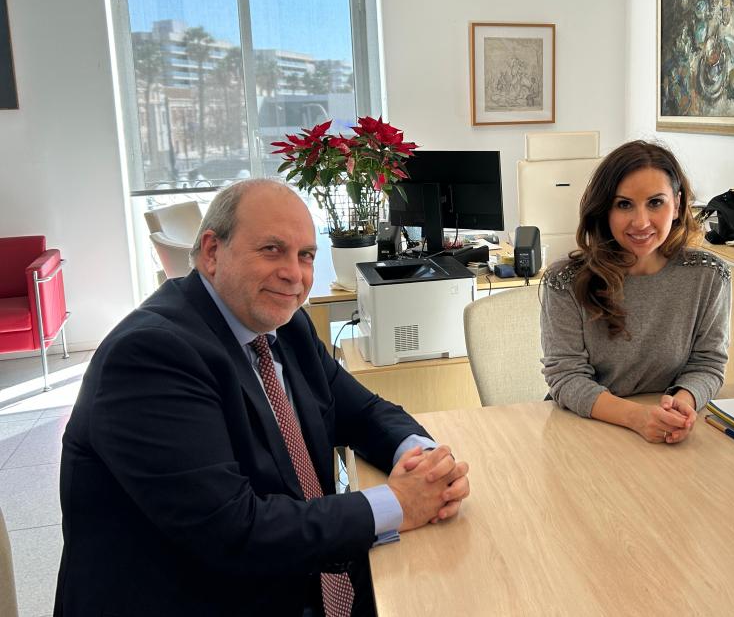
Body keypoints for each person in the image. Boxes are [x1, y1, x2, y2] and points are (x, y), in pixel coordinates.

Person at [55, 179, 470, 617]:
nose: (295, 273)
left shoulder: (284, 326)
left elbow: (364, 412)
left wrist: (425, 460)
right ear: (213, 252)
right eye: (272, 250)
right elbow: (234, 532)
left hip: (295, 572)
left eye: (306, 255)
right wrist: (398, 503)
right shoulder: (150, 356)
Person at [540, 140, 731, 444]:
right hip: (581, 431)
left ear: (677, 204)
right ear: (605, 209)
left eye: (656, 203)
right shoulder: (566, 280)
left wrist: (683, 403)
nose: (641, 222)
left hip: (664, 432)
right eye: (624, 204)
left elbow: (707, 363)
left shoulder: (708, 276)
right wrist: (637, 418)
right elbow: (566, 377)